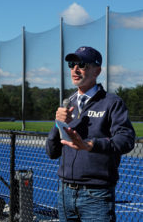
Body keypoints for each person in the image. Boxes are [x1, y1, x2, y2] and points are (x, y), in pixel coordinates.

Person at [46, 46, 135, 221]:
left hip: (96, 195)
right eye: (72, 64)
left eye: (82, 65)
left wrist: (90, 145)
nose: (75, 70)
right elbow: (52, 152)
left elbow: (126, 140)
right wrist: (57, 125)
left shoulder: (112, 103)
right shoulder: (68, 102)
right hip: (65, 193)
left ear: (97, 70)